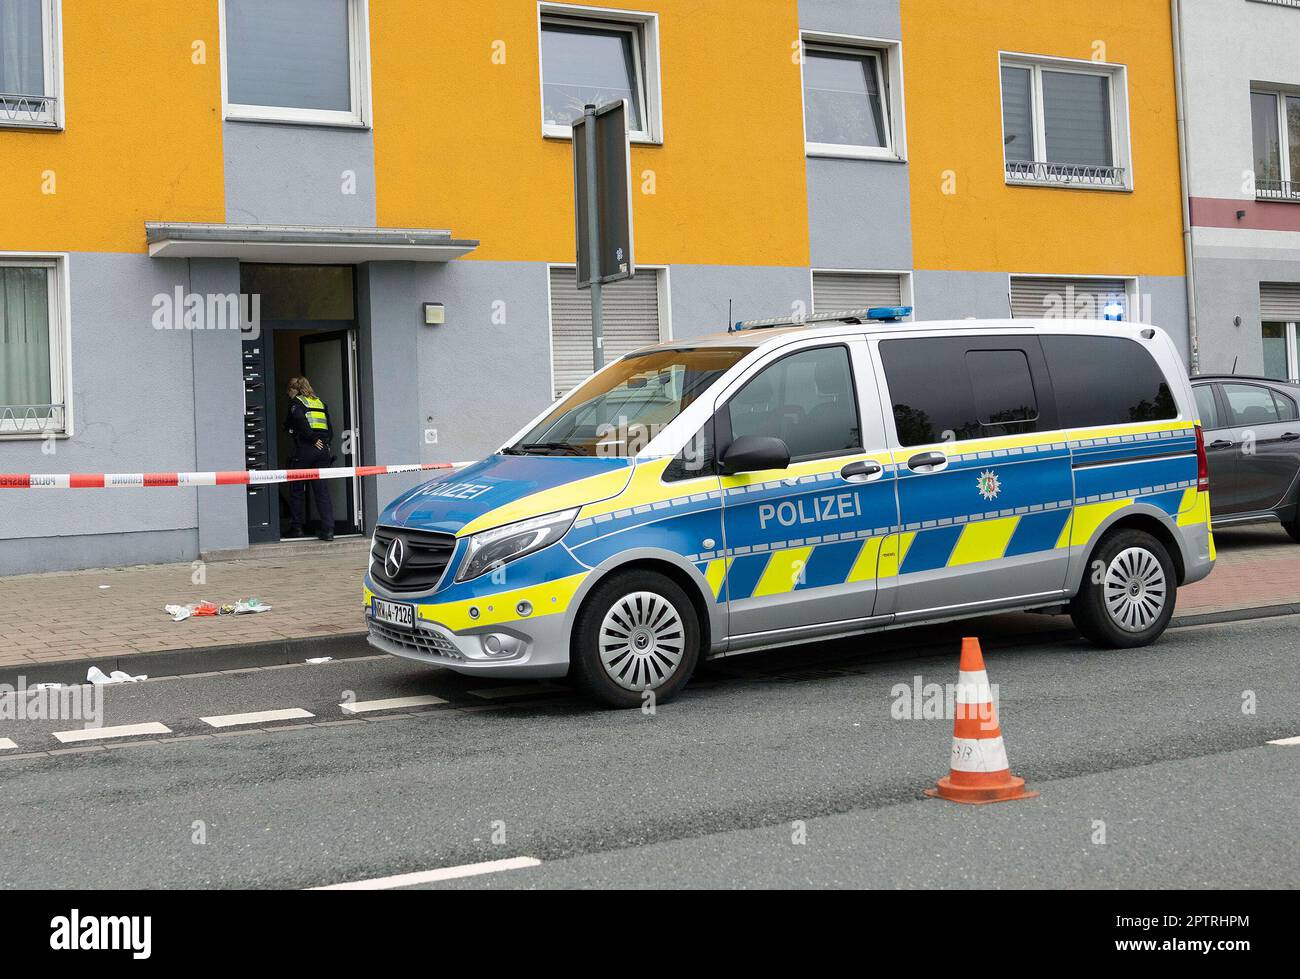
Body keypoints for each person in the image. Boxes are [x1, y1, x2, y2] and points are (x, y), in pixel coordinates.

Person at [284, 376, 336, 541]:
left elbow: (298, 420)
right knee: (322, 491)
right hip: (323, 450)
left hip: (306, 449)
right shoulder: (320, 403)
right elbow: (330, 427)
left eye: (289, 392)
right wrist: (324, 443)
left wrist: (313, 438)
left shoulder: (297, 403)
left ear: (294, 390)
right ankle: (328, 530)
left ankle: (296, 527)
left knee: (297, 488)